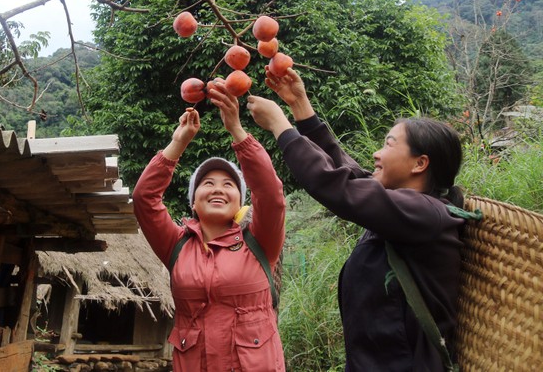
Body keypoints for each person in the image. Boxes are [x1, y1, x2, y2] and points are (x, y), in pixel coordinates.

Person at [247, 66, 468, 372]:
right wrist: (300, 107)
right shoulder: (404, 208)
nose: (377, 154)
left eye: (389, 144)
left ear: (420, 163)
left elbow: (340, 187)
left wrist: (280, 126)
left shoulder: (424, 213)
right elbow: (350, 174)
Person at [133, 82, 287, 372]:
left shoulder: (260, 242)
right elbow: (144, 199)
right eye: (207, 184)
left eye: (229, 185)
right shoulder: (176, 246)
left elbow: (270, 194)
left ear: (240, 202)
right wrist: (178, 143)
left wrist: (237, 130)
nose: (218, 189)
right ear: (194, 202)